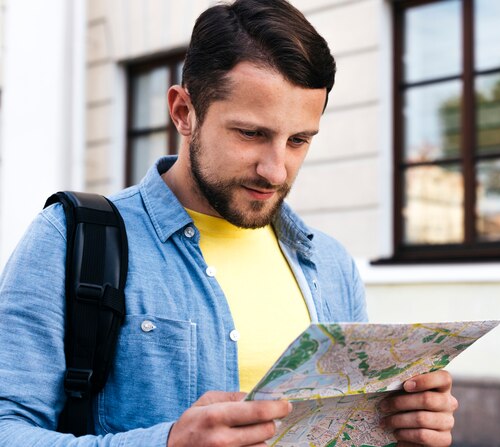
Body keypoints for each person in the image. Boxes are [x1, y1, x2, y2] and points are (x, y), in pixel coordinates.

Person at [0, 0, 458, 446]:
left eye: (298, 140)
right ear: (183, 111)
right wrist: (169, 443)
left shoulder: (331, 265)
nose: (276, 171)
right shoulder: (69, 237)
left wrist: (402, 431)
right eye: (251, 134)